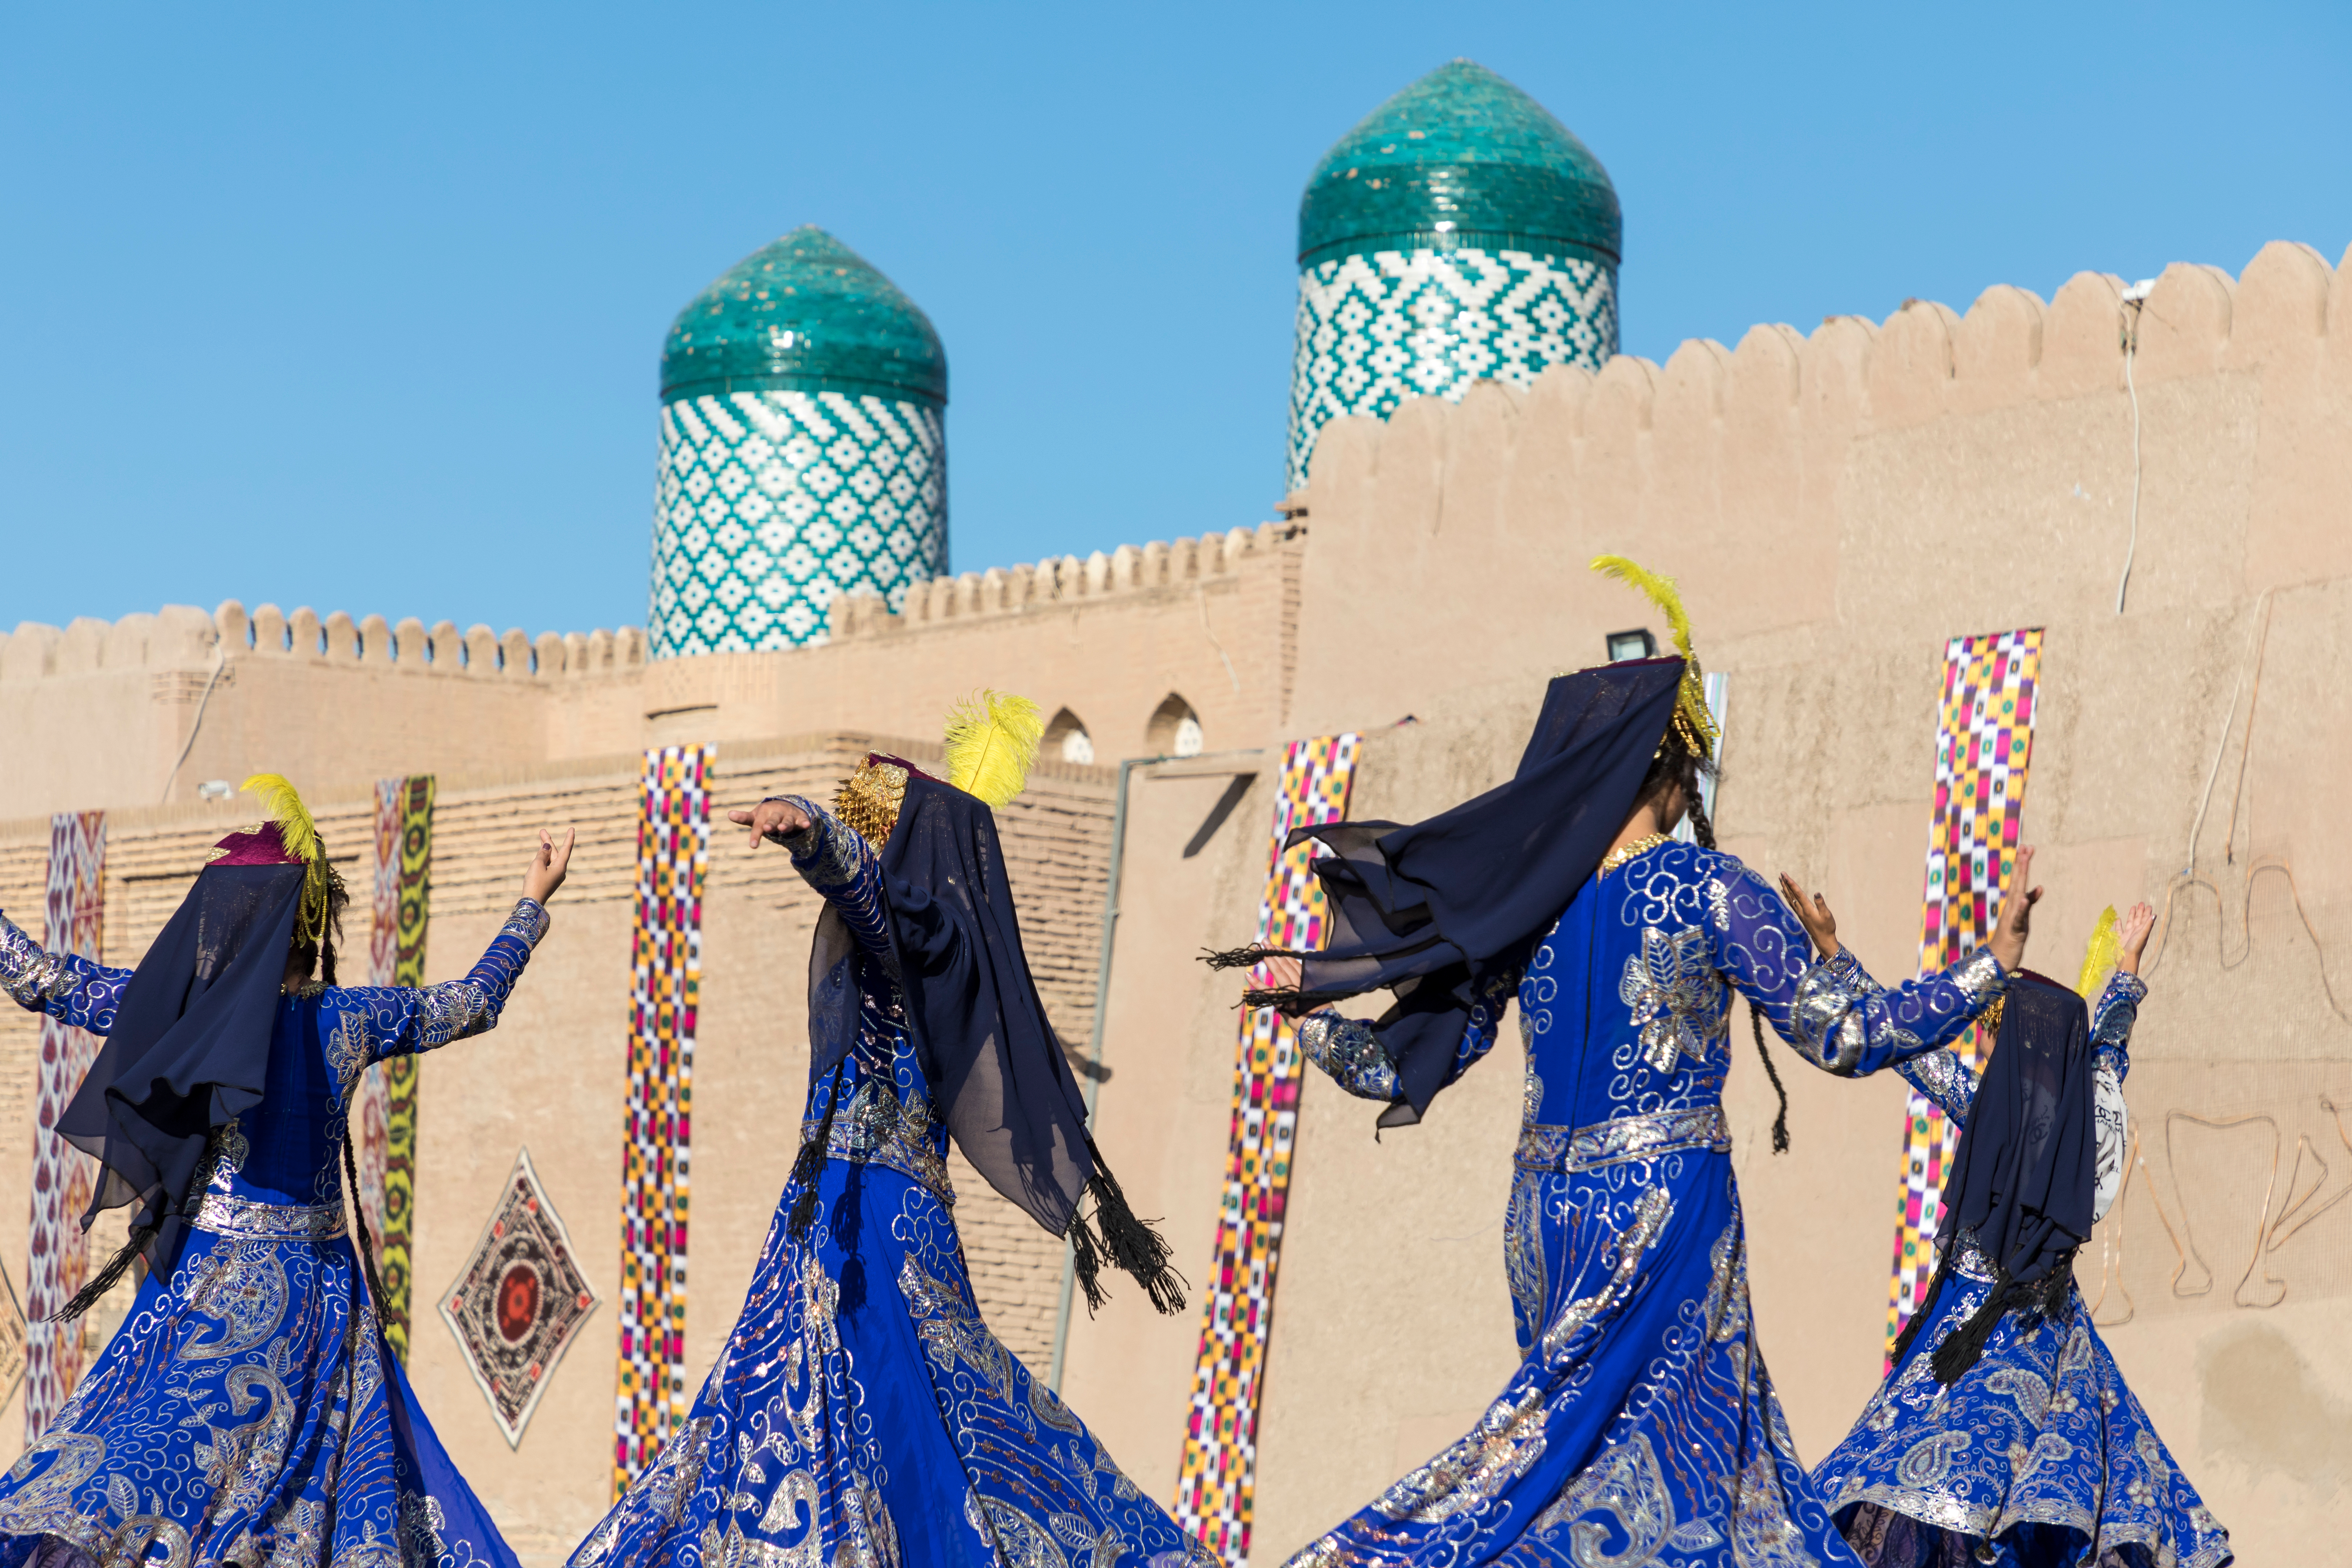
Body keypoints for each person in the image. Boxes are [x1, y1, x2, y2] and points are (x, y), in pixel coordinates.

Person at [1220, 558, 2038, 1567]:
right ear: (1674, 770)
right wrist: (1983, 971)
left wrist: (1306, 1012)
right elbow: (1845, 1033)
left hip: (1542, 1218)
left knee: (1564, 1456)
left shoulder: (1526, 908)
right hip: (1662, 1205)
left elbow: (1409, 1065)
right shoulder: (1707, 889)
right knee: (1675, 1466)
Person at [569, 694, 1211, 1568]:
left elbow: (878, 903)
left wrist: (814, 836)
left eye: (885, 837)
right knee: (782, 1402)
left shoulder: (936, 938)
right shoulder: (909, 952)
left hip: (881, 1218)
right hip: (826, 1205)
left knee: (920, 1409)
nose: (877, 854)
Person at [0, 773, 571, 1568]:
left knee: (146, 1481)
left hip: (207, 1293)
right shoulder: (356, 1017)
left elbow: (47, 981)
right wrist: (531, 904)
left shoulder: (184, 1017)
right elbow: (474, 1000)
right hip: (322, 1299)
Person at [1807, 898, 2232, 1567]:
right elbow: (2112, 1041)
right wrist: (2127, 964)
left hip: (1977, 1344)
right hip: (2041, 1340)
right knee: (2005, 1506)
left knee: (1941, 1487)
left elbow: (1909, 1052)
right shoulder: (2083, 1104)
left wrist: (1836, 956)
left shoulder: (1983, 1103)